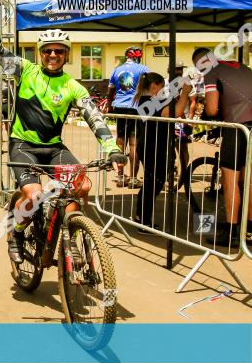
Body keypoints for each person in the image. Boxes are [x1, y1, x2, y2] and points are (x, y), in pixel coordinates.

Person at [0, 0, 126, 264]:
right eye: (48, 50)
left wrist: (113, 149)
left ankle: (66, 231)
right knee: (34, 196)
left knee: (81, 185)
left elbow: (95, 118)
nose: (53, 55)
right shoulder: (25, 71)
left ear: (66, 55)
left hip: (54, 148)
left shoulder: (73, 86)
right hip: (23, 145)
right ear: (41, 53)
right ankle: (18, 230)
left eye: (59, 51)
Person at [194, 47, 252, 247]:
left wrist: (211, 118)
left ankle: (231, 232)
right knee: (249, 181)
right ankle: (250, 230)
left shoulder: (212, 70)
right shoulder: (243, 67)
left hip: (237, 127)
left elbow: (211, 109)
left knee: (230, 181)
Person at [133, 72, 191, 232]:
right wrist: (185, 93)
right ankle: (142, 220)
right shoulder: (149, 102)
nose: (164, 90)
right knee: (153, 184)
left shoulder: (149, 100)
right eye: (162, 87)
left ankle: (141, 217)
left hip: (153, 146)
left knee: (153, 183)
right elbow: (174, 112)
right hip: (152, 147)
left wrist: (178, 90)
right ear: (154, 86)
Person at [108, 47, 149, 188]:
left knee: (120, 140)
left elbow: (110, 90)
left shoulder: (117, 70)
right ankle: (132, 178)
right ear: (139, 57)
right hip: (135, 108)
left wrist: (109, 106)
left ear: (127, 57)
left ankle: (120, 177)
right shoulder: (143, 69)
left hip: (119, 107)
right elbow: (150, 89)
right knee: (134, 143)